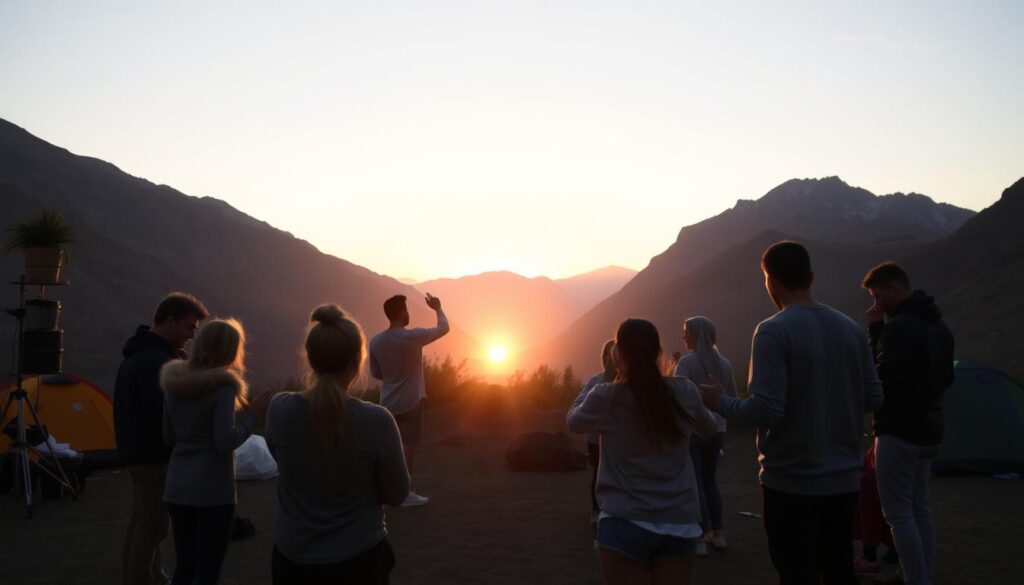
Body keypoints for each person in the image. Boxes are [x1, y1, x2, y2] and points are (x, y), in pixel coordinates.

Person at [700, 241, 884, 585]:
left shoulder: (773, 330)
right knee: (839, 571)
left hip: (791, 483)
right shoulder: (851, 328)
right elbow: (874, 396)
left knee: (797, 574)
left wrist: (720, 401)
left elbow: (767, 410)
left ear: (770, 281)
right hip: (844, 480)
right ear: (810, 277)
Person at [266, 304, 410, 585]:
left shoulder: (279, 409)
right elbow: (397, 494)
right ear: (356, 361)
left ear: (310, 358)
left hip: (293, 561)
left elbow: (280, 459)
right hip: (360, 560)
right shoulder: (377, 420)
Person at [568, 319, 717, 585]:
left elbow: (573, 421)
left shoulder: (607, 396)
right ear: (658, 352)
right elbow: (708, 429)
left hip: (624, 519)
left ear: (617, 355)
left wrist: (603, 379)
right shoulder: (683, 390)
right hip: (678, 522)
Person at [862, 262, 954, 585]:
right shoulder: (940, 327)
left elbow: (880, 377)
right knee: (919, 507)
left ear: (892, 288)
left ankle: (915, 579)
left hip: (898, 430)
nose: (876, 304)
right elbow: (947, 378)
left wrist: (875, 329)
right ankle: (920, 574)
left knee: (898, 513)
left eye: (877, 296)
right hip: (930, 426)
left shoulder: (900, 327)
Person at [114, 292, 208, 585]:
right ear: (169, 321)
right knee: (152, 526)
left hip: (139, 454)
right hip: (153, 457)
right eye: (189, 327)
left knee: (143, 522)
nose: (192, 336)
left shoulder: (143, 355)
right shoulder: (155, 362)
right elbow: (162, 415)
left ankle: (155, 576)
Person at [160, 318, 258, 585]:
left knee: (184, 566)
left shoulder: (173, 382)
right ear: (230, 351)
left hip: (176, 486)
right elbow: (224, 442)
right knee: (208, 571)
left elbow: (168, 436)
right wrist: (253, 419)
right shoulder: (222, 388)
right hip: (213, 490)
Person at [369, 293, 449, 507]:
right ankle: (404, 493)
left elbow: (375, 373)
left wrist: (392, 375)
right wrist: (437, 308)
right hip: (412, 400)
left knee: (390, 447)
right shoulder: (414, 336)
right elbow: (443, 328)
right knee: (408, 445)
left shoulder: (375, 341)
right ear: (402, 313)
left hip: (387, 402)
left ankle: (386, 490)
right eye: (407, 310)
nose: (408, 313)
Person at [673, 316, 736, 556]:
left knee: (695, 483)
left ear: (695, 335)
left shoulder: (687, 363)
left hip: (693, 431)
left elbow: (677, 396)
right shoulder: (725, 364)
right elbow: (731, 397)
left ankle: (699, 536)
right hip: (718, 430)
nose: (683, 337)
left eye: (685, 332)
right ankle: (717, 533)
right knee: (711, 482)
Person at [568, 339, 617, 526]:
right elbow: (575, 411)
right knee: (598, 473)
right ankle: (597, 510)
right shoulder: (596, 381)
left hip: (617, 440)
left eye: (613, 355)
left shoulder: (629, 383)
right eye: (607, 355)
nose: (609, 360)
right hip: (596, 440)